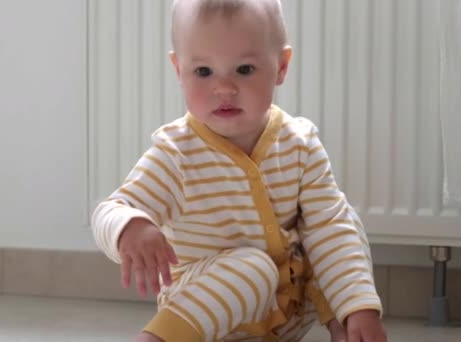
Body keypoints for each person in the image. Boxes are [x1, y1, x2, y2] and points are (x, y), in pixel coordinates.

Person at [92, 0, 387, 341]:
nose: (224, 89)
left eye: (244, 69)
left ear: (281, 66)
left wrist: (358, 305)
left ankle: (348, 329)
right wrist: (131, 227)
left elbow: (331, 228)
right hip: (207, 317)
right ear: (179, 70)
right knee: (256, 267)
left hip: (284, 314)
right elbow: (109, 210)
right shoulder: (175, 154)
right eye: (204, 72)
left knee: (337, 223)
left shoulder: (300, 144)